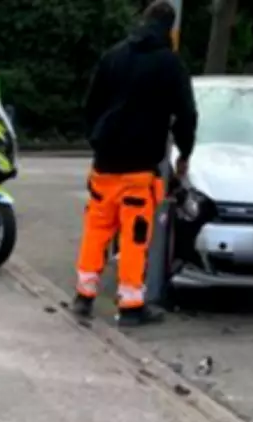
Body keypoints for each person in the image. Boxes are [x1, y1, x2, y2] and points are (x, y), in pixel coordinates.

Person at [74, 0, 197, 327]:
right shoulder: (170, 65)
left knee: (97, 227)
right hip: (140, 167)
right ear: (170, 29)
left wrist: (96, 139)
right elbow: (186, 114)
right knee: (135, 235)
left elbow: (91, 105)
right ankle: (131, 306)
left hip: (105, 162)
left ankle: (84, 295)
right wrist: (184, 153)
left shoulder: (113, 57)